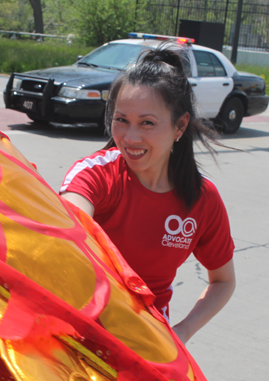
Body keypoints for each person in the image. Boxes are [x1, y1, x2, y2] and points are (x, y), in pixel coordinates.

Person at [60, 43, 236, 344]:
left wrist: (181, 332)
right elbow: (67, 226)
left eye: (147, 123)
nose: (130, 137)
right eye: (121, 120)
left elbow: (223, 281)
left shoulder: (202, 198)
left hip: (147, 340)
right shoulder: (95, 174)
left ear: (180, 125)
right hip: (78, 329)